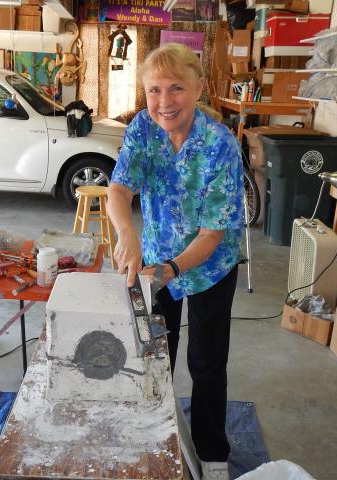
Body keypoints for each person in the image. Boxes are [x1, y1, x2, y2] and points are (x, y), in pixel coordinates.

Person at [107, 43, 244, 480]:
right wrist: (127, 233)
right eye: (154, 90)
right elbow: (119, 189)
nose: (164, 102)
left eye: (176, 88)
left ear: (198, 88)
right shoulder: (142, 129)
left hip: (209, 266)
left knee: (206, 362)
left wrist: (173, 269)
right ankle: (155, 435)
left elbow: (211, 234)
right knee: (154, 353)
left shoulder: (220, 145)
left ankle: (212, 452)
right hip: (154, 259)